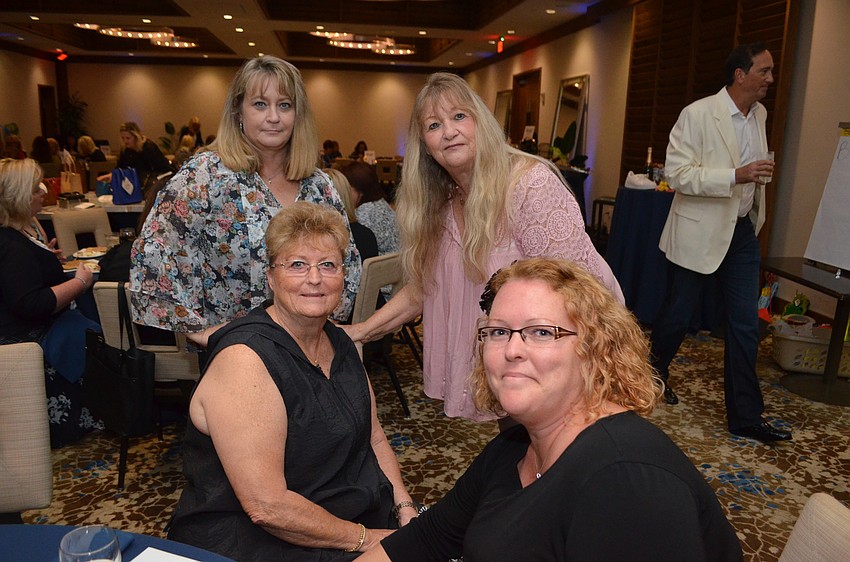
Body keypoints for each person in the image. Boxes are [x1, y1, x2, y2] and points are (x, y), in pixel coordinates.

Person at [357, 258, 743, 561]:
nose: (511, 349)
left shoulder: (624, 480)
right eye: (498, 331)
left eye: (542, 332)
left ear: (593, 350)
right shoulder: (514, 447)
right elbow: (428, 538)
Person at [344, 72, 623, 421]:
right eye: (433, 125)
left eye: (459, 116)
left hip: (569, 355)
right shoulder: (442, 203)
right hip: (512, 364)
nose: (448, 132)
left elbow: (574, 292)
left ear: (481, 122)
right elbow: (421, 289)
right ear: (424, 145)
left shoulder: (528, 185)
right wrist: (360, 331)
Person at [168, 202, 415, 559]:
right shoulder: (245, 360)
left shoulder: (339, 341)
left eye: (327, 265)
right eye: (297, 265)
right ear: (270, 276)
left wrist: (403, 507)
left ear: (343, 275)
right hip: (257, 537)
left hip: (339, 514)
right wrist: (369, 539)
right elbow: (266, 507)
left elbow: (373, 437)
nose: (314, 279)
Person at [130, 55, 360, 348]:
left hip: (307, 351)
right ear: (239, 111)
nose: (273, 117)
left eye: (285, 105)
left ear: (298, 115)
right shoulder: (205, 176)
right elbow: (152, 250)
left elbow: (347, 262)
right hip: (235, 354)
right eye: (260, 104)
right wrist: (198, 331)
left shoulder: (319, 185)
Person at [649, 43, 791, 443]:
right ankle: (650, 376)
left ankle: (746, 417)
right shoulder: (697, 114)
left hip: (742, 232)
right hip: (699, 231)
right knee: (678, 315)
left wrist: (753, 182)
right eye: (764, 71)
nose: (770, 79)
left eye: (771, 71)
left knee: (745, 324)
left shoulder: (759, 115)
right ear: (740, 75)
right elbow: (676, 175)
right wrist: (735, 175)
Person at [0, 158, 101, 448]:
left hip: (29, 329)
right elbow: (33, 304)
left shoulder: (19, 232)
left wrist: (45, 261)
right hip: (25, 340)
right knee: (88, 328)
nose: (44, 192)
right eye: (35, 188)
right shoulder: (10, 245)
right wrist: (80, 282)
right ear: (17, 197)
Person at [340, 160, 401, 257]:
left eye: (347, 188)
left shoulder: (362, 214)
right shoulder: (382, 204)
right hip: (394, 265)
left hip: (376, 269)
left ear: (361, 190)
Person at [103, 121, 174, 191]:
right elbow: (121, 166)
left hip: (153, 183)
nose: (125, 141)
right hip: (135, 183)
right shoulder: (125, 149)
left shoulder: (149, 148)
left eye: (128, 138)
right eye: (123, 138)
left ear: (136, 137)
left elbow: (161, 167)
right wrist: (112, 174)